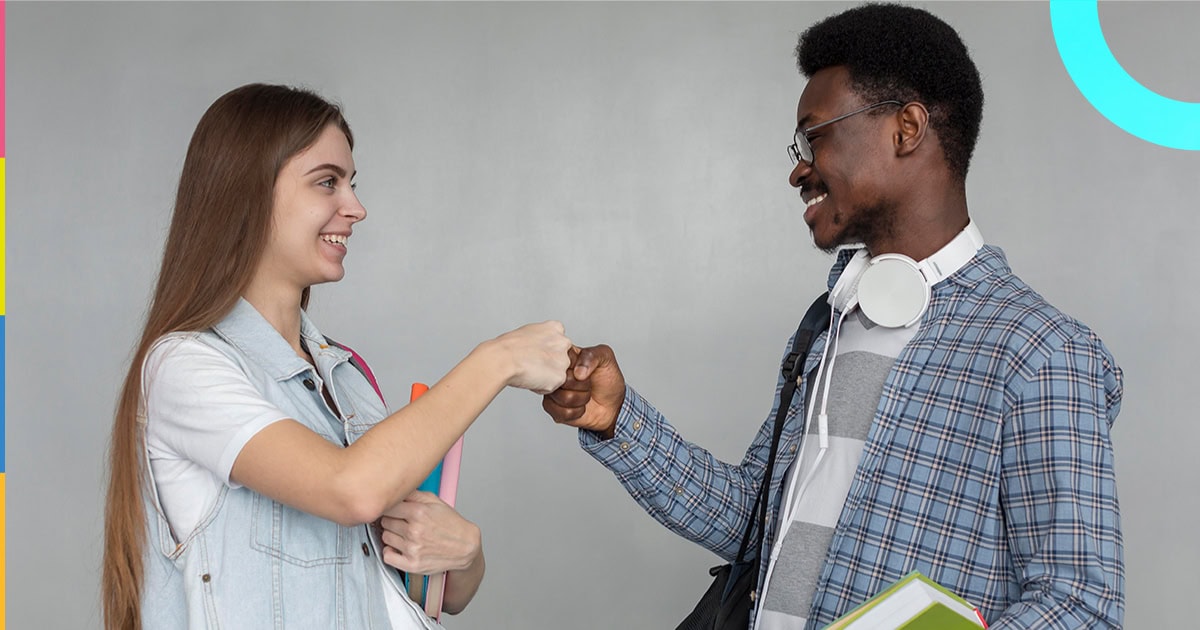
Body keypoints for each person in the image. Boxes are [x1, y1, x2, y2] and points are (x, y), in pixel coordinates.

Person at [543, 4, 1123, 629]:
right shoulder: (831, 324)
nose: (797, 167)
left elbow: (1080, 606)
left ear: (906, 128)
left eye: (814, 136)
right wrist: (619, 422)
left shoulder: (1039, 352)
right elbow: (756, 523)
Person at [102, 83, 573, 630]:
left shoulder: (346, 378)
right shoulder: (185, 368)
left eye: (351, 183)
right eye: (328, 182)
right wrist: (498, 360)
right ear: (246, 192)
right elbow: (351, 489)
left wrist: (466, 558)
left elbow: (421, 588)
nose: (356, 208)